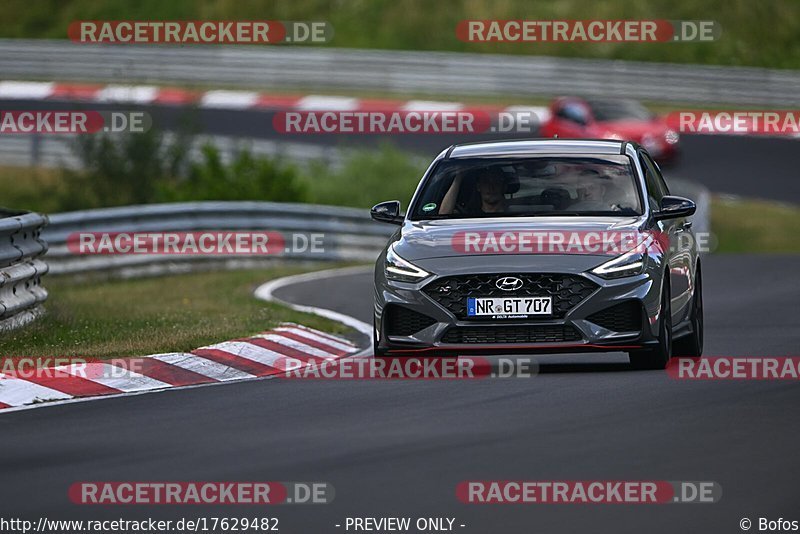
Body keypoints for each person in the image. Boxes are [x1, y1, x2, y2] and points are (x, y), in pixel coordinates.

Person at [440, 168, 509, 215]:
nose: (491, 187)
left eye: (496, 182)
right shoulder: (467, 215)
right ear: (478, 187)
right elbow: (443, 216)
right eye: (485, 182)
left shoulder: (516, 216)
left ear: (504, 187)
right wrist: (458, 179)